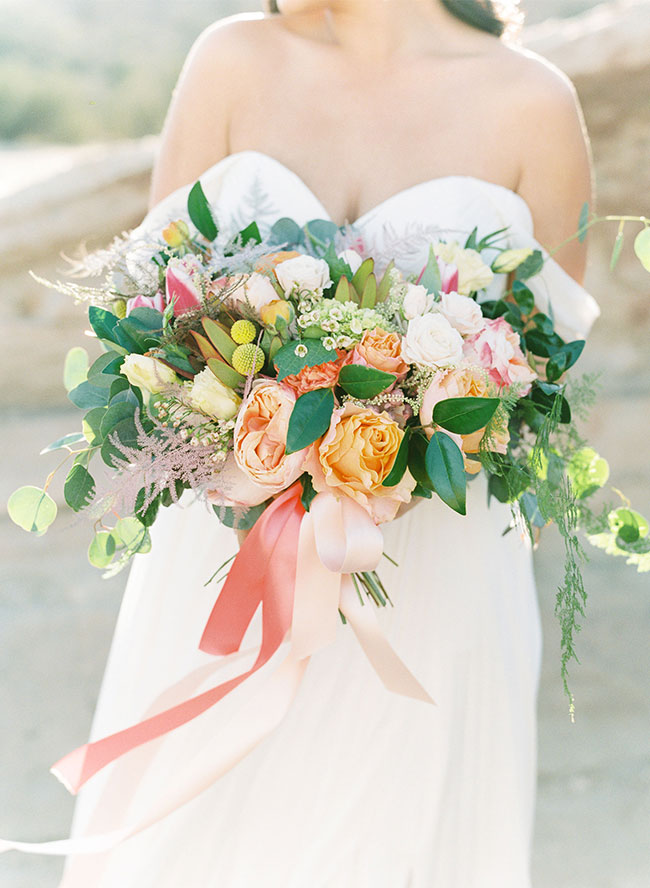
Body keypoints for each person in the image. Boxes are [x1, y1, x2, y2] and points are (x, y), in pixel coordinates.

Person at [58, 2, 599, 886]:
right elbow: (152, 307)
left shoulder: (531, 103)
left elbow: (539, 372)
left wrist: (400, 442)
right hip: (222, 564)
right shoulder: (230, 58)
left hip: (428, 575)